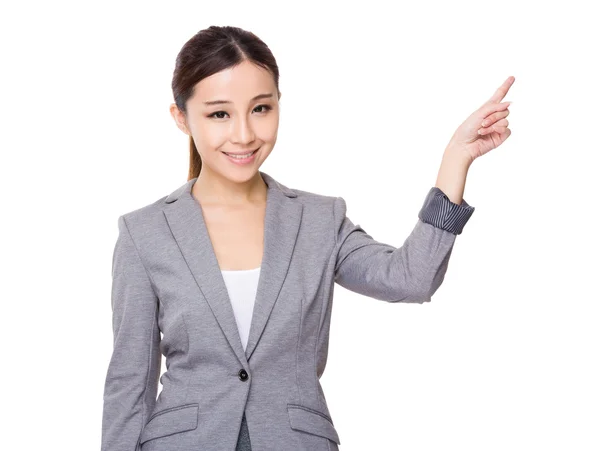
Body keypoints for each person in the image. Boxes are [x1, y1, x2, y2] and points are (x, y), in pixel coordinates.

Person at [101, 25, 514, 451]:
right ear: (181, 118)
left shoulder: (318, 219)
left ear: (278, 104)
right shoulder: (144, 233)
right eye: (219, 114)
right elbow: (129, 381)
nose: (244, 134)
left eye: (260, 109)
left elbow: (410, 279)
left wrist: (456, 159)